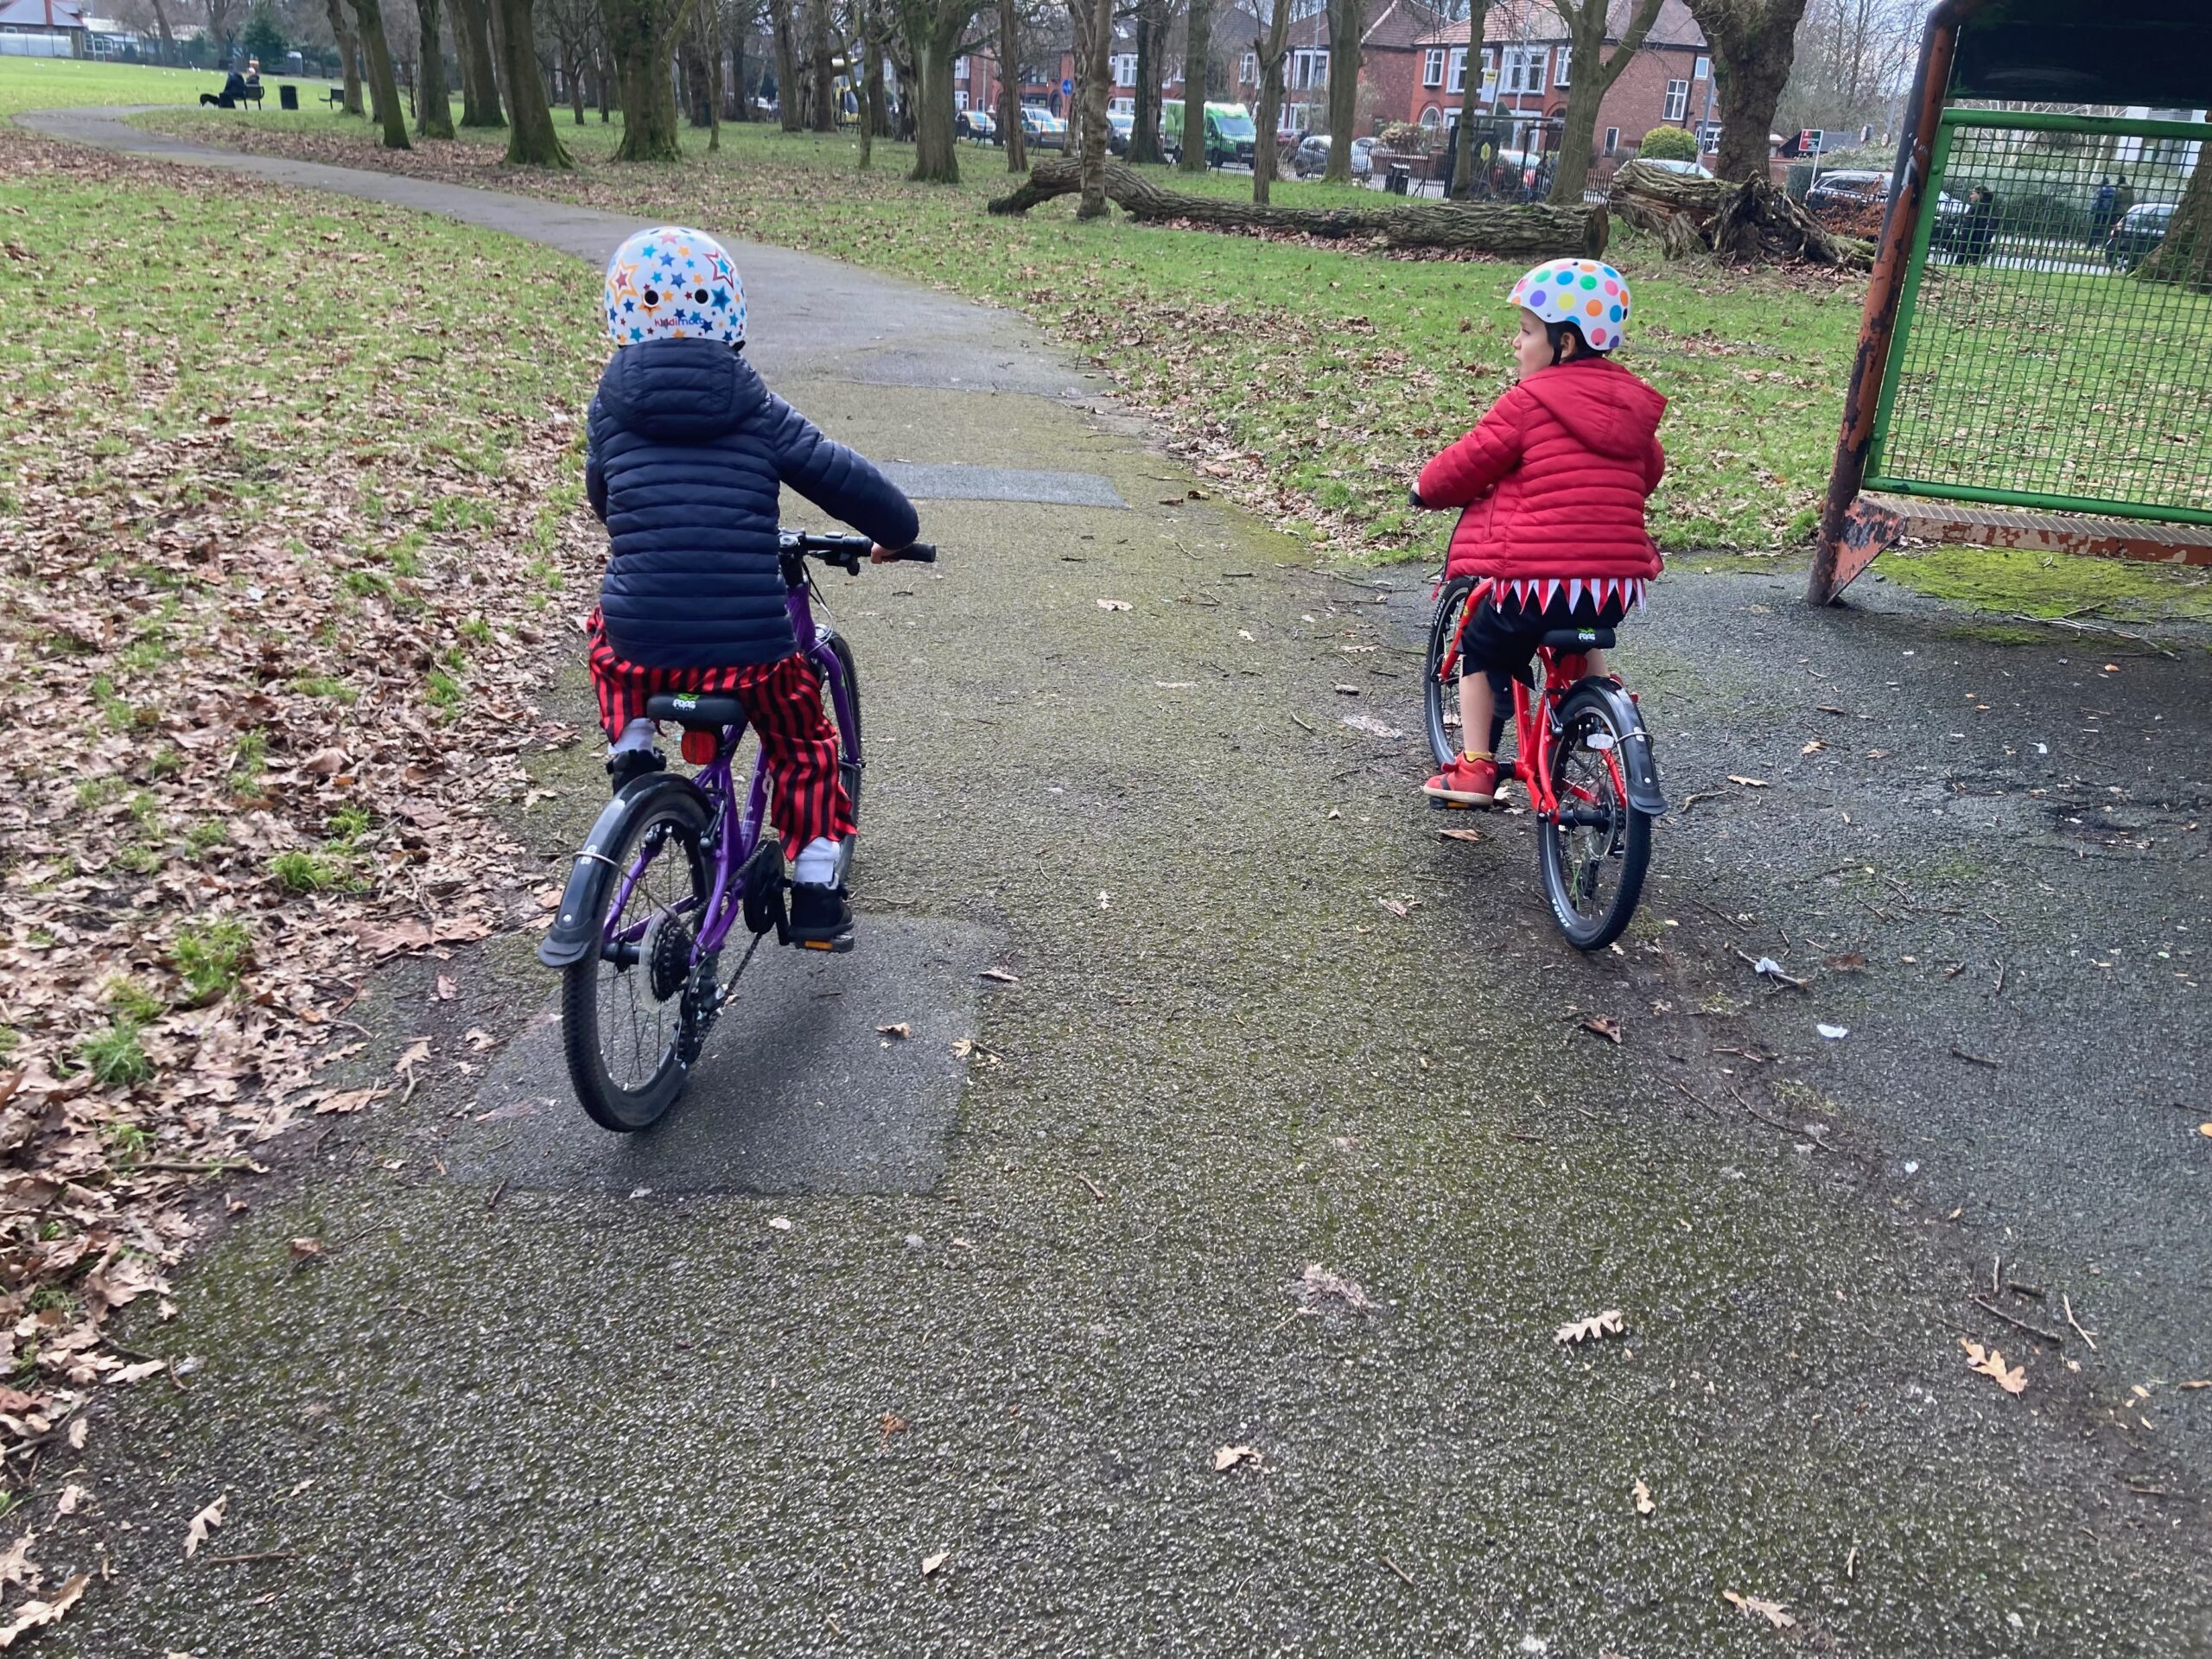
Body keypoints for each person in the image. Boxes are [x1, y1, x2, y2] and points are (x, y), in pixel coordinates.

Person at [583, 226, 919, 946]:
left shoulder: (609, 411)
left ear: (619, 316)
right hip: (750, 657)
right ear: (731, 312)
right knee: (804, 741)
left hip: (643, 643)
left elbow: (603, 500)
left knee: (604, 636)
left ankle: (634, 742)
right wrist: (896, 529)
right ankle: (818, 887)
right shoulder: (759, 409)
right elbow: (841, 477)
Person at [1412, 259, 1665, 808]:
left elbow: (1469, 462)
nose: (1516, 344)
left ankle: (1475, 768)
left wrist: (1425, 489)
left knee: (1481, 645)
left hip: (1536, 583)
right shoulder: (1632, 409)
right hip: (1614, 586)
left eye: (1526, 332)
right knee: (1581, 633)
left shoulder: (1529, 402)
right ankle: (1600, 729)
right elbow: (1649, 473)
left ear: (1565, 343)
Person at [2090, 176, 2116, 249]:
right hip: (2108, 212)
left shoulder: (2100, 190)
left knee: (2095, 228)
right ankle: (2104, 244)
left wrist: (2093, 210)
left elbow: (2096, 201)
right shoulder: (2113, 191)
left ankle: (2091, 244)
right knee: (2105, 229)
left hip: (2099, 211)